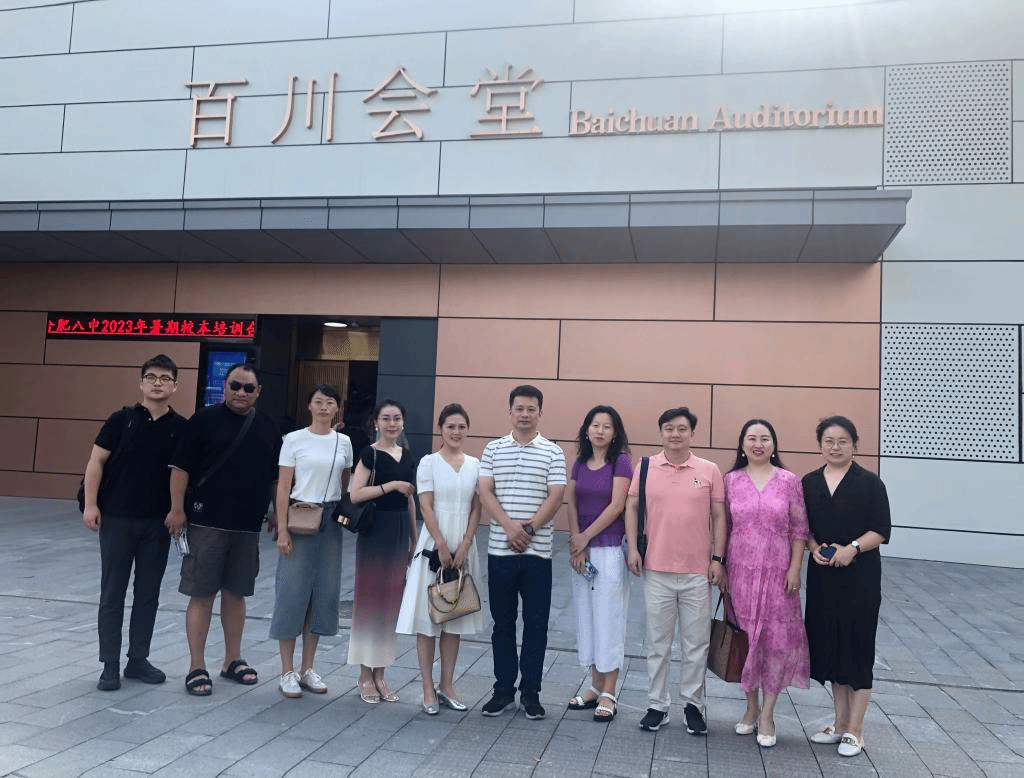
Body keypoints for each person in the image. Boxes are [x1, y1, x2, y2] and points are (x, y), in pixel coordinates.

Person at [166, 363, 280, 696]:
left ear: (258, 392)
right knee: (202, 594)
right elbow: (180, 468)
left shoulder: (268, 427)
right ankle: (196, 666)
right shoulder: (203, 420)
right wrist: (176, 509)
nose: (241, 392)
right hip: (205, 522)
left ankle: (232, 659)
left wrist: (278, 512)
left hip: (247, 526)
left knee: (236, 594)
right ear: (224, 386)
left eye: (248, 388)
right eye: (235, 385)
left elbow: (275, 477)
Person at [82, 354, 187, 691]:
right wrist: (91, 504)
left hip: (157, 524)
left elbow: (183, 473)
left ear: (175, 386)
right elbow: (96, 462)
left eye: (165, 378)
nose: (158, 383)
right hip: (117, 519)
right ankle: (109, 664)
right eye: (152, 377)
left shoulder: (181, 427)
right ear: (141, 383)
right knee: (112, 593)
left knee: (148, 594)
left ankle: (138, 660)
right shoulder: (121, 420)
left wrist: (177, 511)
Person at [625, 406, 727, 736]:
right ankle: (657, 705)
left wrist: (718, 558)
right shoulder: (645, 467)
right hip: (656, 569)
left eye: (682, 429)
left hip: (698, 571)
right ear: (661, 432)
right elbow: (631, 507)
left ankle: (693, 706)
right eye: (669, 428)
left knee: (696, 644)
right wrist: (632, 548)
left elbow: (719, 517)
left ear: (692, 434)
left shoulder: (709, 470)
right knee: (658, 643)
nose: (675, 434)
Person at [803, 416, 891, 758]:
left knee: (857, 648)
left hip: (860, 579)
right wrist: (814, 548)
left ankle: (856, 731)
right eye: (829, 441)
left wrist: (852, 548)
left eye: (842, 441)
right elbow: (803, 527)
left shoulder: (870, 483)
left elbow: (880, 530)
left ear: (854, 444)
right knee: (831, 647)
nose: (835, 447)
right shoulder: (810, 482)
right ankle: (839, 725)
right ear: (820, 445)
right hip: (823, 578)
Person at [478, 385, 566, 720]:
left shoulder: (553, 452)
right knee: (502, 623)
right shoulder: (493, 449)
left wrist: (527, 531)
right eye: (519, 408)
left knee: (536, 625)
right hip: (500, 552)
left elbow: (556, 495)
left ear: (540, 412)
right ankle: (503, 690)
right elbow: (485, 492)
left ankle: (531, 692)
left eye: (531, 409)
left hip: (538, 554)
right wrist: (510, 527)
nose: (525, 414)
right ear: (510, 411)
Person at [723, 419, 810, 747]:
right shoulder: (730, 480)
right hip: (740, 575)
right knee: (745, 641)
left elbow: (799, 530)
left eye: (764, 438)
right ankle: (751, 707)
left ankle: (768, 714)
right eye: (751, 438)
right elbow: (723, 527)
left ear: (774, 444)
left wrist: (795, 568)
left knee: (775, 644)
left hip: (778, 577)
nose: (758, 444)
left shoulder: (789, 481)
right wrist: (721, 567)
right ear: (742, 444)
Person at [396, 403, 484, 715]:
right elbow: (425, 505)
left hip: (464, 547)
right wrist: (442, 545)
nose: (456, 432)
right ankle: (427, 688)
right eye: (450, 427)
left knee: (453, 619)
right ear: (441, 429)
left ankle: (447, 685)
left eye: (461, 427)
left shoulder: (475, 464)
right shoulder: (428, 463)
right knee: (428, 620)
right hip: (434, 546)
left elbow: (477, 506)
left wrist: (466, 543)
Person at [270, 385, 353, 698]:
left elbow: (344, 485)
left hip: (329, 521)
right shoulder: (293, 440)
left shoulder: (344, 442)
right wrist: (282, 529)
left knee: (323, 593)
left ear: (336, 409)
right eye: (318, 401)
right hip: (300, 515)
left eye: (329, 402)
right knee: (291, 592)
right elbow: (283, 487)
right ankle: (286, 670)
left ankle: (308, 668)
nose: (323, 407)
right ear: (309, 406)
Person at [346, 399, 417, 704]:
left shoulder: (408, 454)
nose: (391, 423)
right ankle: (365, 675)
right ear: (376, 422)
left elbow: (410, 498)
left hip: (399, 530)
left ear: (403, 422)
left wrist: (415, 539)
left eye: (396, 418)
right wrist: (391, 485)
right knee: (370, 603)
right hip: (375, 531)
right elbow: (355, 494)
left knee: (390, 605)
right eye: (386, 418)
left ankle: (381, 673)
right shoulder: (369, 453)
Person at [565, 405, 633, 722]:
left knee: (610, 619)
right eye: (595, 425)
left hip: (608, 550)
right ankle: (594, 685)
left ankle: (609, 691)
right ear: (587, 429)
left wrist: (585, 537)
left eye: (607, 426)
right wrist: (576, 544)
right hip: (583, 552)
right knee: (588, 618)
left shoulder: (621, 461)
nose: (600, 431)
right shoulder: (579, 462)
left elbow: (617, 505)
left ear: (615, 432)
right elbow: (571, 503)